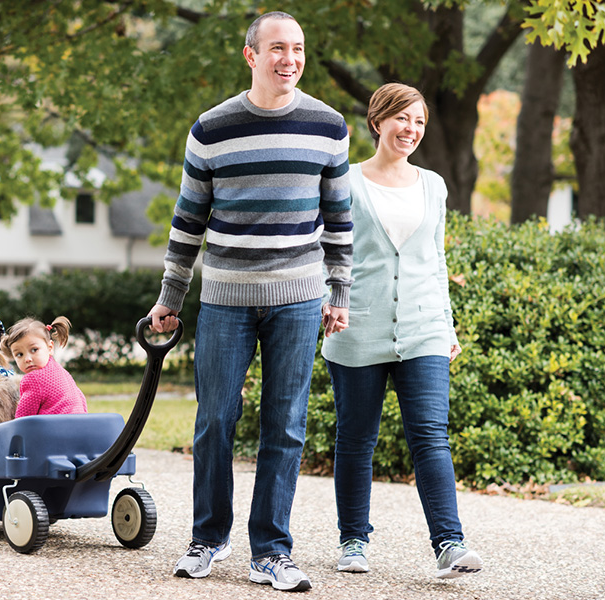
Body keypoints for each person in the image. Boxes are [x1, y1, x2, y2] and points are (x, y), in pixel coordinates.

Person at [147, 10, 353, 593]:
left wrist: (339, 292)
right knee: (215, 419)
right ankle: (208, 538)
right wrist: (171, 296)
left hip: (299, 298)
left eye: (299, 48)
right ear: (251, 56)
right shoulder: (212, 129)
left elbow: (339, 220)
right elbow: (188, 221)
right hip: (227, 298)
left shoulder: (328, 125)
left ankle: (272, 551)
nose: (290, 59)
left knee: (285, 425)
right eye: (278, 49)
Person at [321, 83, 483, 579]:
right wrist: (331, 301)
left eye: (419, 122)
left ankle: (450, 544)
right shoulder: (344, 181)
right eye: (402, 119)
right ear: (378, 121)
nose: (410, 130)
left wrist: (447, 322)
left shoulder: (433, 185)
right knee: (355, 440)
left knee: (431, 436)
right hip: (358, 328)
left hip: (423, 327)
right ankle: (353, 542)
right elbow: (327, 251)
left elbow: (436, 259)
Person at [0, 316, 87, 418]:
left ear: (50, 347)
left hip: (55, 430)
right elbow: (81, 399)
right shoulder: (62, 371)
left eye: (34, 350)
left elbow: (23, 418)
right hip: (80, 424)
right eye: (19, 354)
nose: (27, 359)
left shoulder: (33, 379)